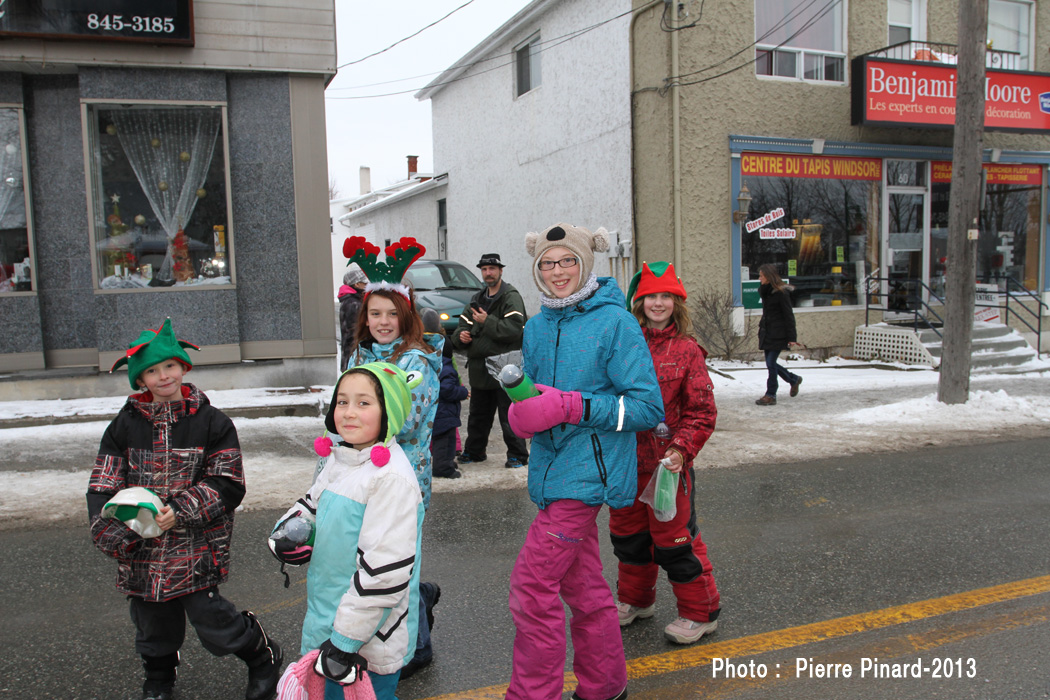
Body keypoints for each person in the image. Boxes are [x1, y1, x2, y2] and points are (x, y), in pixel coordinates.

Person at [505, 223, 663, 700]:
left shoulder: (616, 322)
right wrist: (522, 414)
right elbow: (532, 396)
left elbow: (647, 408)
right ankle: (606, 687)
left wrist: (572, 406)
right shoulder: (535, 326)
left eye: (568, 260)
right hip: (549, 475)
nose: (558, 272)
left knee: (532, 590)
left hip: (588, 476)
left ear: (585, 263)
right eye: (547, 264)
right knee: (585, 590)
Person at [87, 318, 282, 700]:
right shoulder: (123, 427)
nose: (163, 377)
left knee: (213, 620)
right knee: (152, 624)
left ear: (183, 367)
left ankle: (262, 656)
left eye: (169, 366)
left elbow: (228, 482)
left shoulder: (212, 422)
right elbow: (103, 485)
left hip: (196, 544)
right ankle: (158, 680)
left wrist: (181, 509)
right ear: (140, 380)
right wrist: (114, 532)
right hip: (141, 546)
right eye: (152, 371)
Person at [273, 362, 426, 700]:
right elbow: (312, 504)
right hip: (330, 616)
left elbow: (384, 572)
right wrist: (293, 529)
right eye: (342, 402)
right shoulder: (343, 459)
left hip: (367, 639)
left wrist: (344, 642)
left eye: (364, 403)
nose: (349, 413)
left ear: (389, 412)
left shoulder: (391, 480)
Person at [343, 236, 442, 678]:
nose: (383, 322)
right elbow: (342, 414)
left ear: (407, 316)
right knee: (369, 564)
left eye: (392, 314)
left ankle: (415, 646)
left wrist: (353, 414)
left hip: (403, 482)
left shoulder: (416, 362)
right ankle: (380, 631)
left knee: (399, 565)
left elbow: (398, 421)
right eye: (375, 313)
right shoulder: (358, 354)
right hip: (357, 480)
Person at [611, 262, 721, 645]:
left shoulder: (688, 350)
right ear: (639, 302)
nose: (657, 303)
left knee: (675, 542)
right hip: (625, 464)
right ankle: (636, 601)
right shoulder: (624, 342)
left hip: (666, 468)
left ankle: (700, 612)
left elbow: (702, 412)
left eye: (664, 296)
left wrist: (680, 450)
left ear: (676, 301)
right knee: (629, 539)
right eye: (650, 296)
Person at [451, 252, 529, 469]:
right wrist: (461, 336)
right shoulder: (477, 299)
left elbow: (514, 330)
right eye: (484, 269)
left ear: (500, 271)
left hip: (505, 368)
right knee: (478, 415)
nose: (488, 273)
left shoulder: (510, 296)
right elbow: (462, 327)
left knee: (509, 415)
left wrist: (487, 321)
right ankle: (475, 452)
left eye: (492, 269)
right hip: (479, 369)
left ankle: (517, 455)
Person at [755, 263, 802, 406]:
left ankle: (771, 394)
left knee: (770, 363)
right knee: (771, 364)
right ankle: (793, 379)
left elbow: (789, 315)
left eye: (762, 276)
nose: (759, 278)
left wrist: (792, 338)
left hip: (778, 334)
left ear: (769, 277)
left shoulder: (781, 294)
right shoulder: (766, 291)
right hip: (767, 332)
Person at [432, 329, 469, 479]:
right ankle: (442, 468)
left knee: (447, 441)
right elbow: (447, 390)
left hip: (441, 412)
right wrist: (463, 392)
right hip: (445, 413)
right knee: (445, 442)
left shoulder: (437, 366)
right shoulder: (447, 369)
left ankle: (447, 463)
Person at [338, 264, 368, 372]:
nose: (367, 285)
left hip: (351, 353)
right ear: (357, 284)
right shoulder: (353, 303)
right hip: (354, 355)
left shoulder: (351, 300)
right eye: (365, 283)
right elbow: (355, 332)